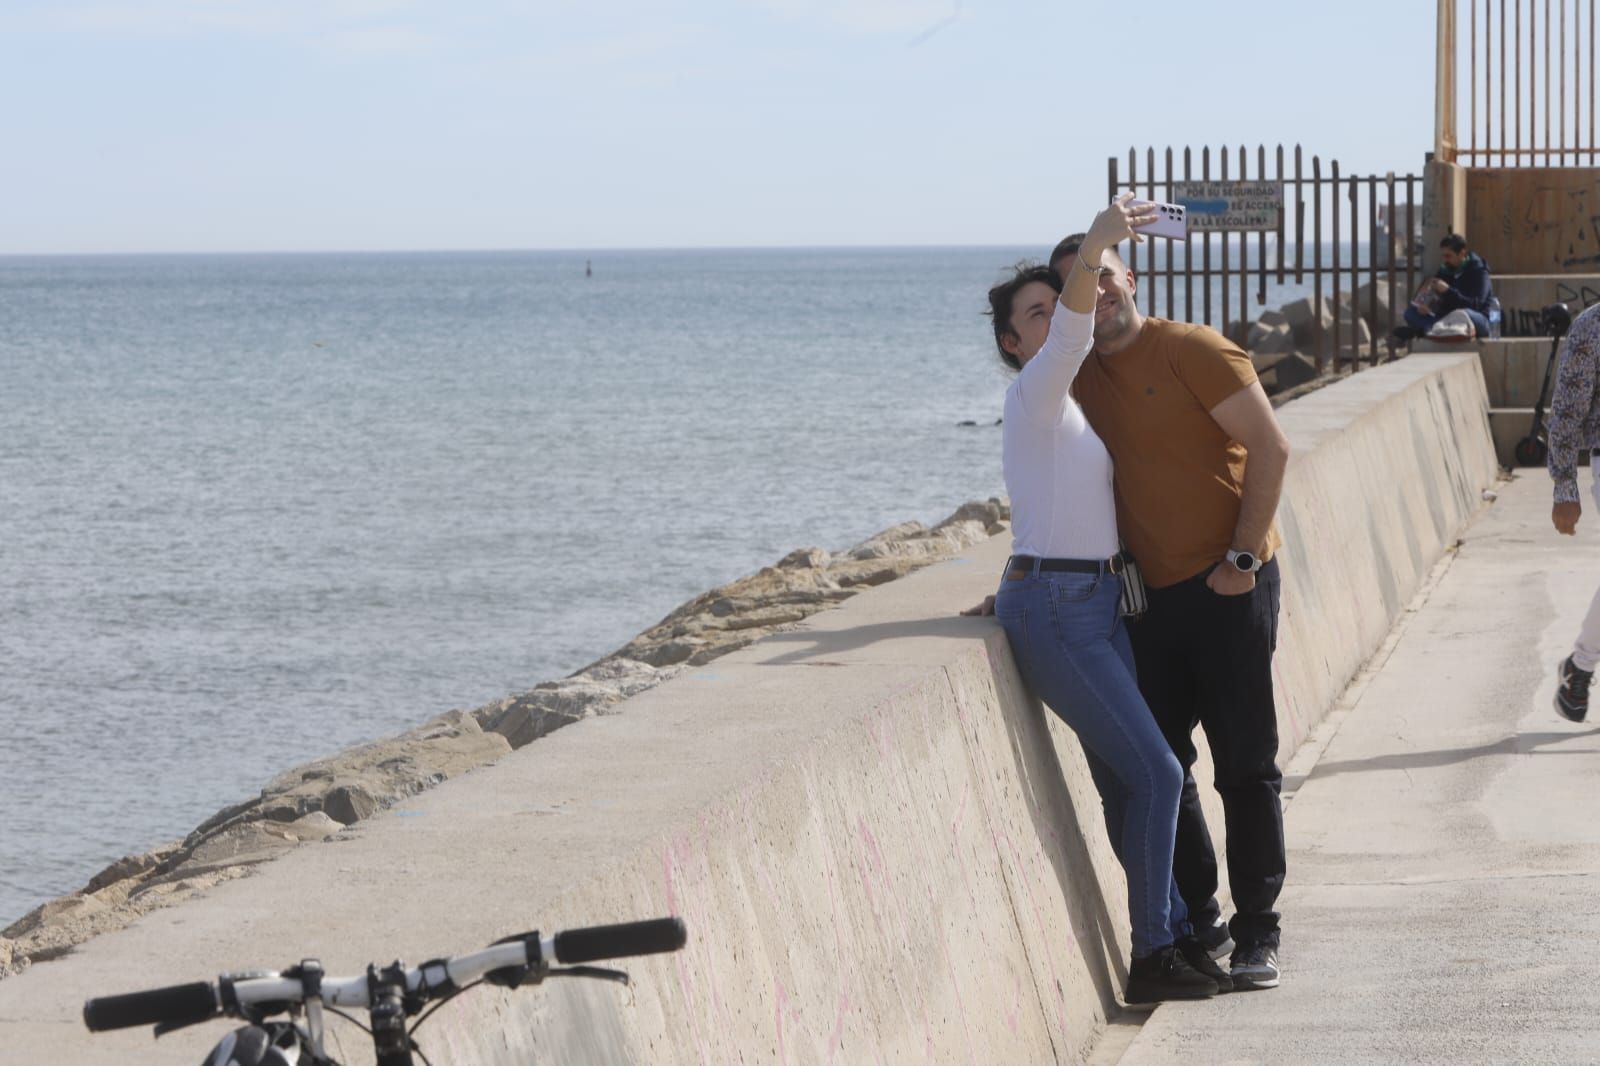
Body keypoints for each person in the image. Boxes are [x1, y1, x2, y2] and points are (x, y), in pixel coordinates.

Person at [967, 195, 1221, 1004]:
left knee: (1128, 782)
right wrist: (1100, 243)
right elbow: (1078, 330)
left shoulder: (1072, 403)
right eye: (1035, 313)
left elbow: (1058, 506)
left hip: (1096, 603)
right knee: (1157, 772)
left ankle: (1176, 934)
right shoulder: (1039, 391)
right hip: (1060, 611)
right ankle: (1154, 953)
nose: (1055, 318)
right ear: (1014, 343)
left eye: (1056, 305)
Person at [1042, 231, 1292, 992]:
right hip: (1144, 602)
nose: (1099, 292)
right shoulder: (1076, 376)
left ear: (1132, 277)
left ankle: (1258, 932)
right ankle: (1204, 918)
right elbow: (1055, 483)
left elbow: (1272, 450)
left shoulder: (1194, 348)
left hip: (1230, 585)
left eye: (1105, 274)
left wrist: (1241, 562)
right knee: (1164, 767)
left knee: (1245, 768)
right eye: (1081, 284)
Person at [1545, 302, 1600, 720]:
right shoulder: (1591, 326)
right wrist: (1565, 485)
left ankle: (1578, 668)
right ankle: (1580, 667)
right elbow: (1566, 409)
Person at [1393, 233, 1496, 341]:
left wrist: (1447, 291)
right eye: (1443, 256)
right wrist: (1426, 304)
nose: (1445, 260)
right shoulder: (1446, 270)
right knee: (1410, 313)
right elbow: (1441, 302)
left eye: (1448, 256)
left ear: (1462, 253)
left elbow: (1476, 305)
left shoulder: (1479, 272)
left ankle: (1426, 331)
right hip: (1449, 317)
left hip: (1476, 318)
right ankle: (1438, 330)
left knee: (1462, 314)